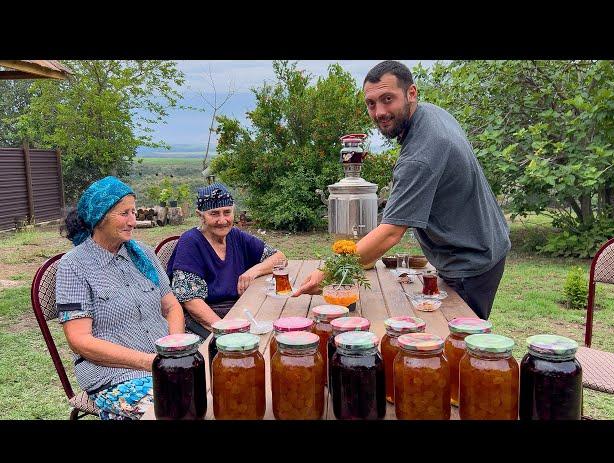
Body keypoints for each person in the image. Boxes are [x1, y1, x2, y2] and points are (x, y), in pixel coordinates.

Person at [294, 60, 511, 320]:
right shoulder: (431, 114)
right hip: (481, 241)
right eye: (371, 103)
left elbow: (390, 234)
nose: (379, 112)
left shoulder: (420, 154)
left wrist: (330, 270)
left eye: (388, 99)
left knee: (456, 338)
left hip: (470, 261)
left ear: (411, 93)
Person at [56, 176, 184, 420]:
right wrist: (151, 362)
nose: (133, 221)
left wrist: (174, 348)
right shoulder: (74, 266)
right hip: (113, 376)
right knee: (176, 409)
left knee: (215, 390)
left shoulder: (143, 254)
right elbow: (79, 340)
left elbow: (171, 305)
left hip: (164, 364)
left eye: (133, 212)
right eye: (124, 213)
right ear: (99, 217)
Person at [167, 183, 287, 338]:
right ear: (200, 215)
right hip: (207, 320)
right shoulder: (190, 242)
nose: (222, 220)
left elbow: (280, 257)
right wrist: (228, 333)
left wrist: (253, 271)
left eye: (227, 212)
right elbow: (192, 302)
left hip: (240, 310)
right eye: (214, 213)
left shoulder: (235, 236)